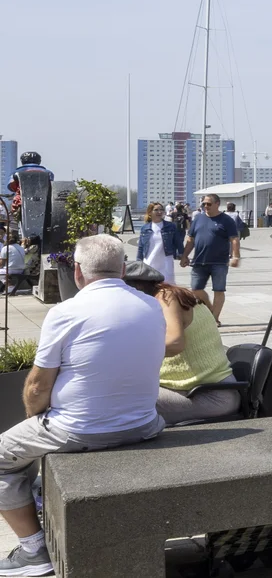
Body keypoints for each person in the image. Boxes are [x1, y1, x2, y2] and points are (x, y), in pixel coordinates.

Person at [0, 234, 165, 576]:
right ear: (122, 268)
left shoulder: (66, 312)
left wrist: (38, 418)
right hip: (144, 424)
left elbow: (36, 386)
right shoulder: (151, 305)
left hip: (82, 430)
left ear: (77, 271)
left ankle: (33, 552)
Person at [122, 259, 241, 425]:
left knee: (120, 401)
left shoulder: (166, 297)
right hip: (192, 391)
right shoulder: (163, 297)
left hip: (211, 396)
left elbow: (175, 342)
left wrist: (126, 353)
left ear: (135, 288)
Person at [187, 192, 244, 322]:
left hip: (219, 262)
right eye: (204, 204)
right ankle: (211, 310)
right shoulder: (198, 219)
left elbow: (234, 239)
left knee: (218, 290)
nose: (206, 206)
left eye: (209, 204)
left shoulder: (226, 220)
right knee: (195, 289)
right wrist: (185, 255)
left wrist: (236, 257)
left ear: (217, 204)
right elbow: (190, 239)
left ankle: (214, 318)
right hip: (199, 261)